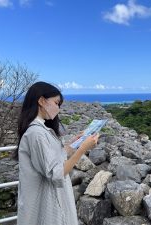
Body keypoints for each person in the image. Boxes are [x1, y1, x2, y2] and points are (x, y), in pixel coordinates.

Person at [14, 81, 98, 225]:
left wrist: (74, 143)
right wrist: (83, 148)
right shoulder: (36, 133)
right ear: (41, 101)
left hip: (47, 200)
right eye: (56, 102)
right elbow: (57, 172)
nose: (57, 108)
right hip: (46, 205)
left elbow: (53, 156)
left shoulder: (39, 129)